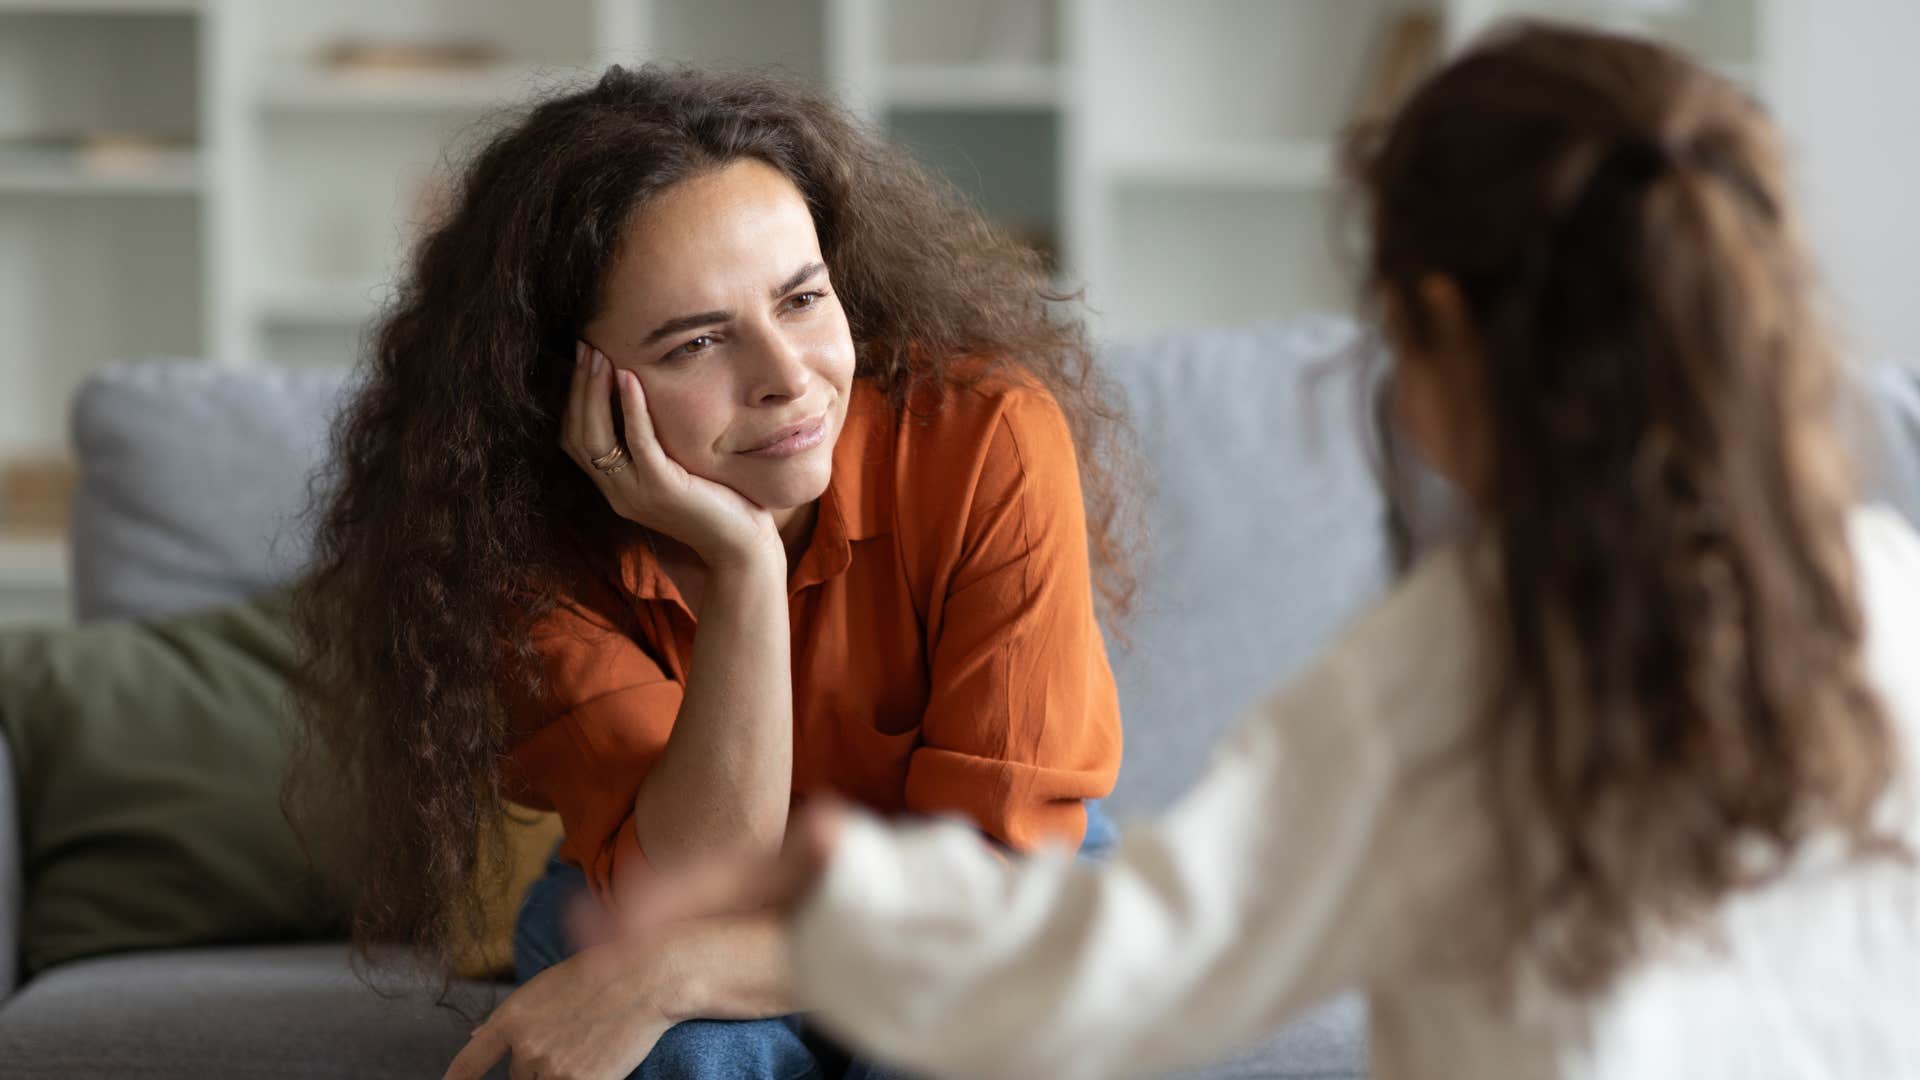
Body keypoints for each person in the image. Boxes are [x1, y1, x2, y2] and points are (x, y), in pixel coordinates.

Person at [618, 23, 1920, 1080]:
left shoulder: (1453, 670)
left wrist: (844, 901)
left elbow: (1135, 973)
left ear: (1445, 328)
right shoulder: (1891, 596)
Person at [286, 64, 1134, 1079]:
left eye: (803, 299)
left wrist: (662, 979)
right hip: (668, 895)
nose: (788, 378)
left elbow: (984, 891)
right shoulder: (517, 552)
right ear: (568, 391)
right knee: (699, 1051)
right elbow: (701, 894)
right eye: (697, 344)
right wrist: (743, 571)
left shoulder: (985, 438)